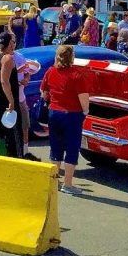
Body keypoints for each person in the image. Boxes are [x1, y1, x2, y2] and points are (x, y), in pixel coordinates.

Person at [40, 44, 91, 195]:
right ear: (72, 57)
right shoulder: (76, 75)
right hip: (72, 115)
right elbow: (84, 99)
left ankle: (55, 181)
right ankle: (68, 184)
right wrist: (86, 111)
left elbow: (43, 92)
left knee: (55, 147)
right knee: (71, 148)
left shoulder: (51, 71)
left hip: (54, 113)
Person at [0, 49, 30, 159]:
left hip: (17, 98)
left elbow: (26, 73)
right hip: (8, 100)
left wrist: (25, 77)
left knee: (23, 126)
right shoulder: (4, 59)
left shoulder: (18, 57)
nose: (13, 45)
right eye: (11, 42)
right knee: (10, 132)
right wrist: (11, 101)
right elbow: (2, 80)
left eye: (14, 41)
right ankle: (12, 157)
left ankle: (23, 152)